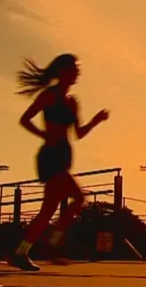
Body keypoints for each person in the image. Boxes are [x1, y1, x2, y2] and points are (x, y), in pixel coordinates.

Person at [8, 53, 109, 271]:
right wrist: (45, 135)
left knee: (47, 211)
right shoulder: (49, 96)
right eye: (74, 68)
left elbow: (78, 133)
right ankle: (52, 243)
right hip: (51, 156)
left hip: (63, 156)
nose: (77, 72)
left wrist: (96, 121)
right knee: (79, 198)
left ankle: (21, 252)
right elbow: (25, 119)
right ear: (62, 71)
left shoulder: (72, 102)